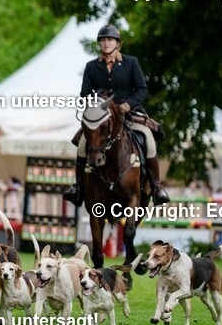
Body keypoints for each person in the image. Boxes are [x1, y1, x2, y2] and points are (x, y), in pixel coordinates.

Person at [64, 25, 170, 206]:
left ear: (117, 43)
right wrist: (94, 103)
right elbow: (84, 94)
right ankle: (79, 187)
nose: (106, 43)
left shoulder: (131, 63)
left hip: (128, 114)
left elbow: (142, 89)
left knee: (149, 142)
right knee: (82, 145)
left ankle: (156, 186)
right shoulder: (91, 67)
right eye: (103, 40)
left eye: (109, 40)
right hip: (101, 118)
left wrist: (128, 104)